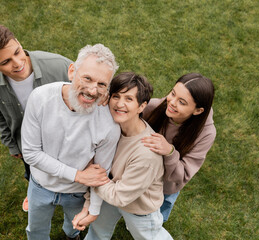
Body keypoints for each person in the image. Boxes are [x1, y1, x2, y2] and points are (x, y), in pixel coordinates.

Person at [21, 44, 121, 240]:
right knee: (36, 231)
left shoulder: (109, 125)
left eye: (102, 84)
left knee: (73, 229)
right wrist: (78, 176)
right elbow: (31, 153)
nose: (93, 90)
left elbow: (100, 173)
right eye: (88, 78)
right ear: (72, 71)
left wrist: (92, 209)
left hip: (76, 194)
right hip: (40, 185)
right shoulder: (40, 98)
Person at [0, 23, 73, 212]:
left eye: (18, 52)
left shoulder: (59, 65)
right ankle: (35, 189)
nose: (18, 63)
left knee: (69, 175)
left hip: (65, 140)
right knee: (33, 172)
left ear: (18, 42)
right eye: (5, 62)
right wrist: (12, 144)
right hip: (27, 145)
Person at [72, 72, 173, 240]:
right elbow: (100, 168)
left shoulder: (146, 154)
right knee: (96, 233)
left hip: (139, 208)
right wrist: (90, 204)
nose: (120, 104)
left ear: (142, 106)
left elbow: (119, 196)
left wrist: (90, 178)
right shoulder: (111, 129)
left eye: (129, 99)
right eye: (116, 96)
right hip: (109, 193)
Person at [141, 72, 216, 222]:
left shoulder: (206, 133)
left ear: (198, 110)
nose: (172, 102)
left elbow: (182, 175)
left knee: (154, 221)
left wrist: (169, 151)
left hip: (166, 188)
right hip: (143, 175)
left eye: (182, 102)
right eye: (173, 93)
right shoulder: (157, 107)